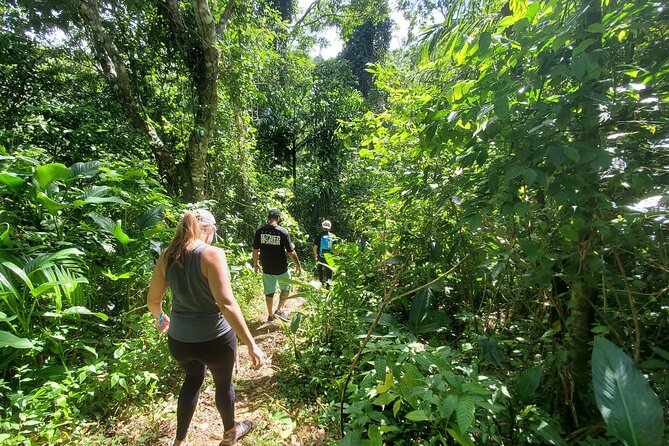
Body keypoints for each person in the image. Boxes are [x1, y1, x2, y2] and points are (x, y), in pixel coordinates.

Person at [146, 209, 265, 446]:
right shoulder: (212, 254)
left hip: (179, 340)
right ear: (208, 230)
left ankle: (180, 440)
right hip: (215, 340)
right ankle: (230, 433)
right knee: (223, 383)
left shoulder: (168, 255)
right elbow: (227, 304)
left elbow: (153, 301)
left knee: (192, 379)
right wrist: (251, 345)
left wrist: (162, 320)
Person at [252, 208, 302, 322]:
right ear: (278, 218)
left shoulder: (260, 231)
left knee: (269, 291)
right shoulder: (282, 232)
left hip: (267, 268)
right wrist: (298, 265)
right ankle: (279, 311)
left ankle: (270, 315)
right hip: (281, 268)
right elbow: (291, 252)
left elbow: (255, 250)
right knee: (286, 288)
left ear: (268, 218)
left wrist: (256, 264)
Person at [313, 219, 337, 288]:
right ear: (330, 227)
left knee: (320, 270)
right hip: (330, 257)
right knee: (329, 271)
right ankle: (328, 286)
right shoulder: (333, 236)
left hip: (321, 256)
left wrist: (315, 255)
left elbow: (315, 247)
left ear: (323, 227)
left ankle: (321, 284)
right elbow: (335, 248)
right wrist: (336, 257)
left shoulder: (319, 235)